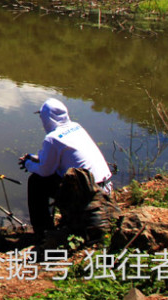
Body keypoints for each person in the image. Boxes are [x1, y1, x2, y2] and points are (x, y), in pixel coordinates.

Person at [19, 98, 113, 242]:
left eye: (42, 116)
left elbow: (45, 171)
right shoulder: (76, 127)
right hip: (104, 187)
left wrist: (27, 164)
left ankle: (42, 231)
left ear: (47, 118)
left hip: (87, 192)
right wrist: (33, 158)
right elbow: (60, 158)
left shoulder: (53, 138)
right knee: (49, 176)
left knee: (36, 181)